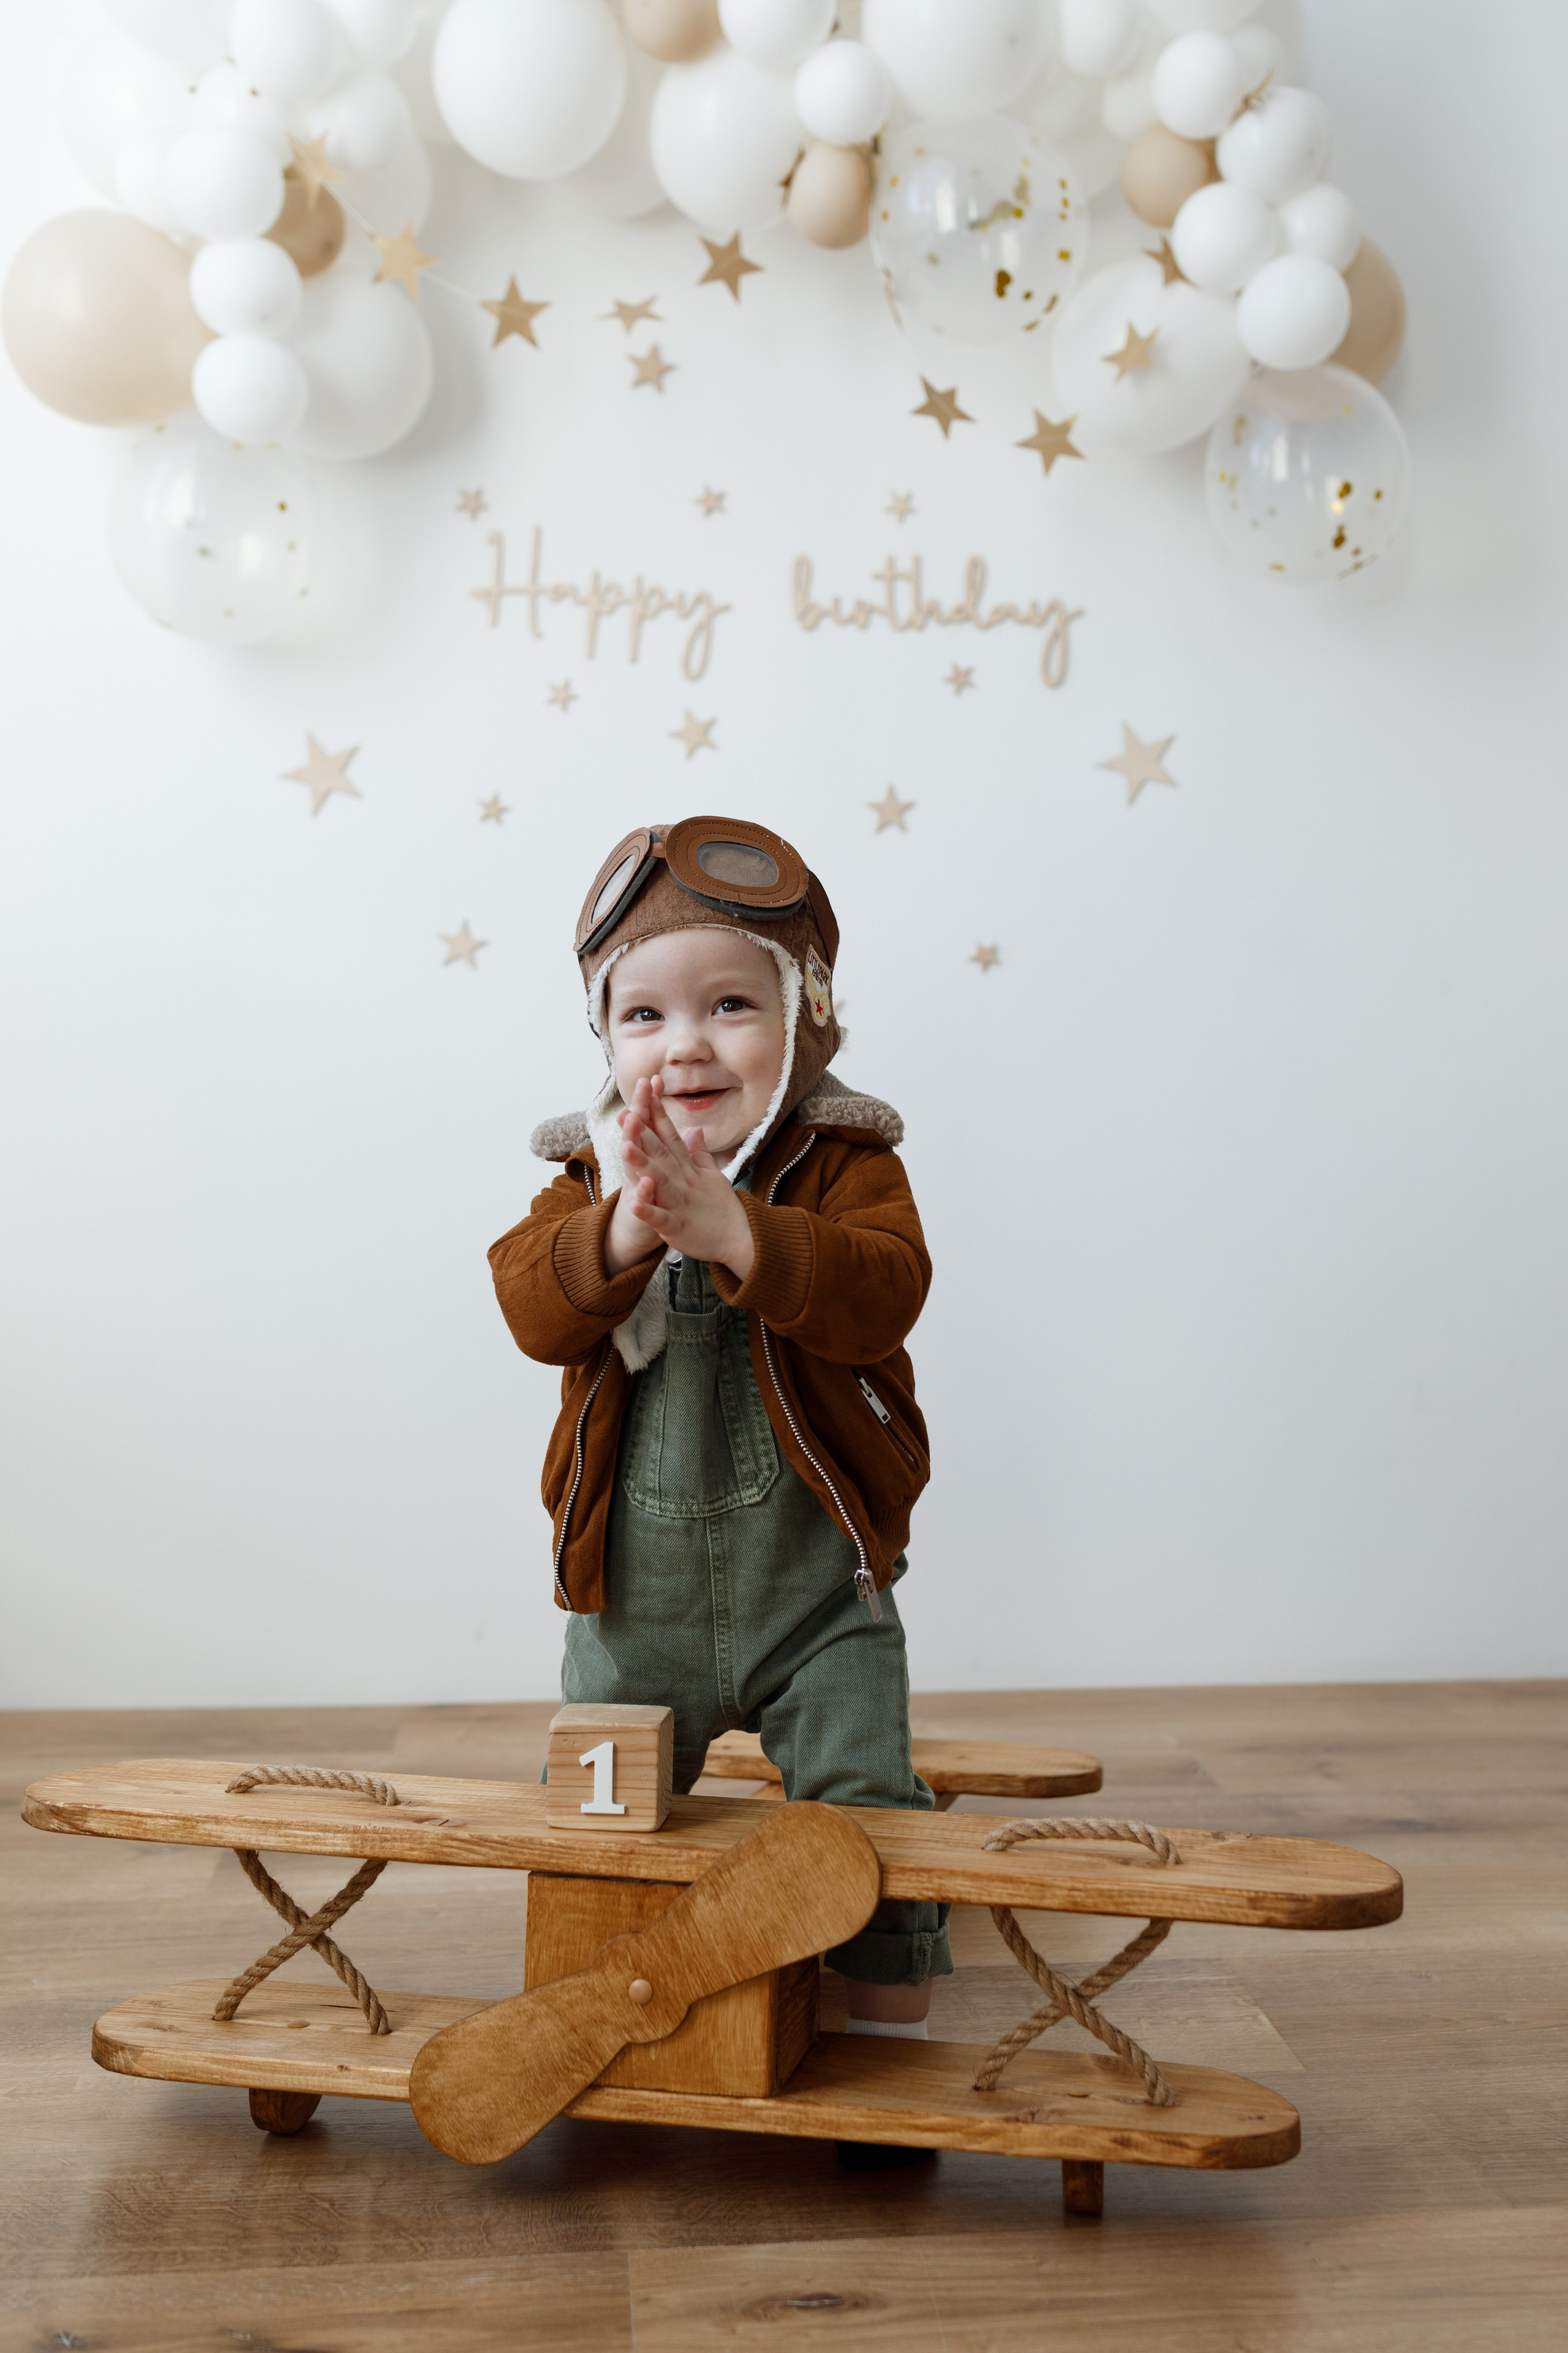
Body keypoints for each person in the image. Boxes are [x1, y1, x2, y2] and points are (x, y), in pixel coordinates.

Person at [488, 816, 949, 2036]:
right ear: (606, 1039)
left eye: (731, 1004)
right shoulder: (588, 1180)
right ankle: (597, 1981)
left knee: (858, 1798)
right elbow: (530, 1306)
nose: (686, 1042)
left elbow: (885, 1290)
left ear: (805, 1020)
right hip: (631, 1611)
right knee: (599, 1816)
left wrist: (737, 1229)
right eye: (644, 1014)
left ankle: (878, 2003)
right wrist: (629, 1228)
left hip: (817, 1595)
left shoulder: (848, 1164)